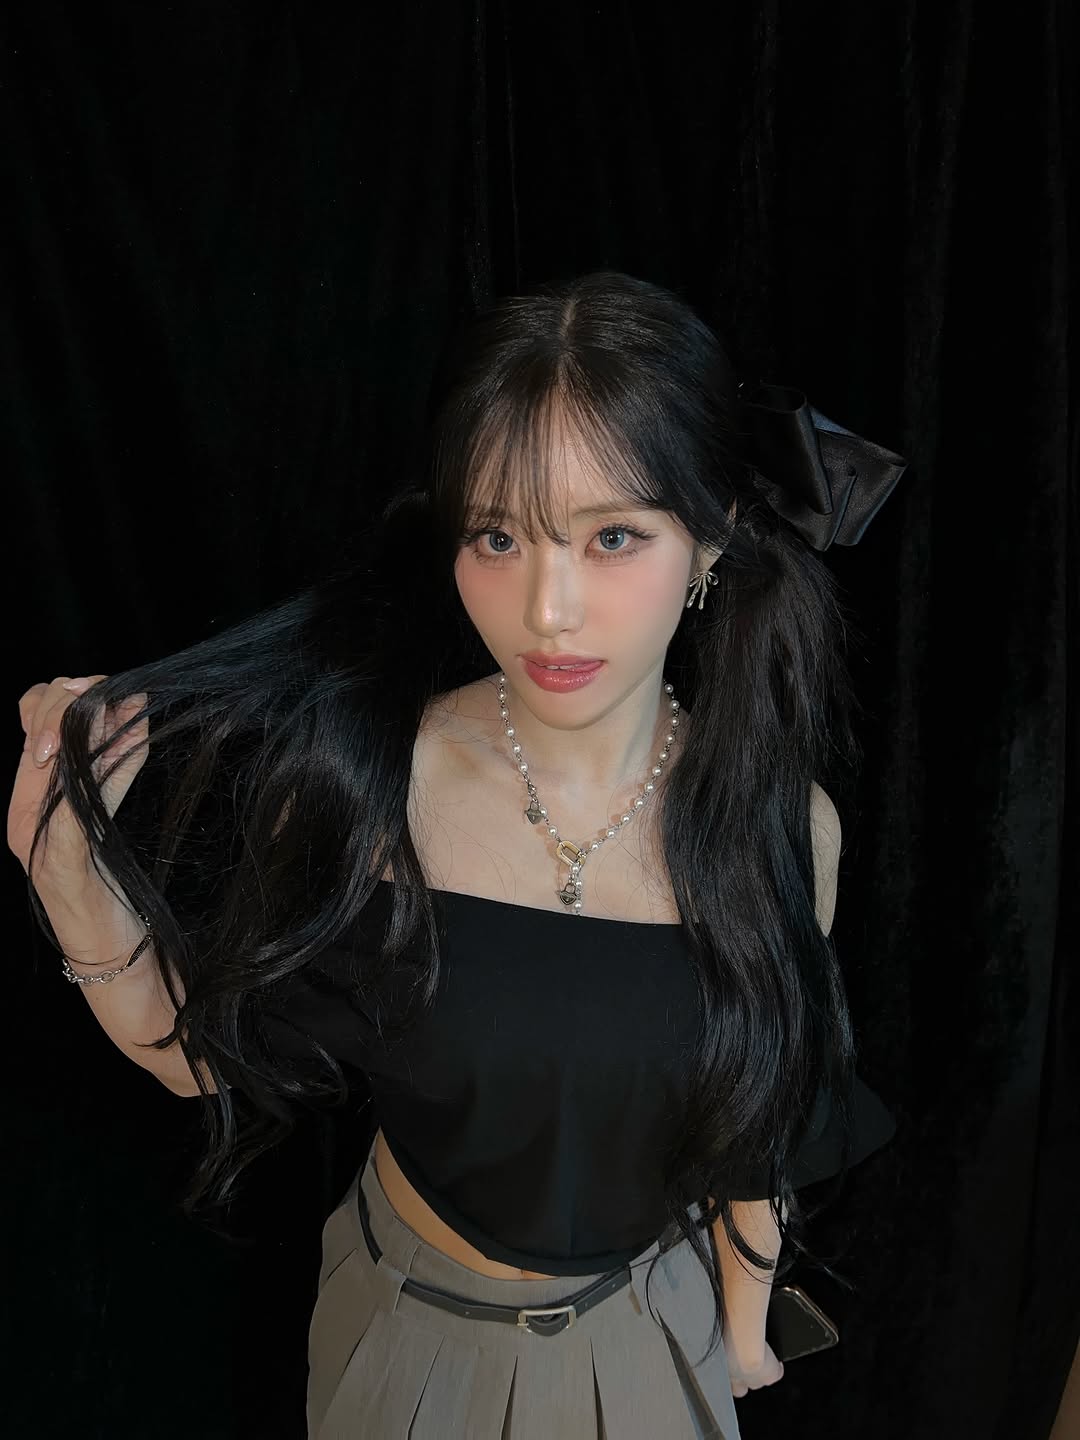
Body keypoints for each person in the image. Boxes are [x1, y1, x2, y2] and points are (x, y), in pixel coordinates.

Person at [11, 270, 906, 1439]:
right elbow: (198, 1060)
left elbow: (755, 1117)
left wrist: (741, 1331)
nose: (547, 609)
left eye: (613, 536)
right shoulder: (366, 793)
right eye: (498, 535)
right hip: (409, 1336)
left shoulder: (784, 826)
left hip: (653, 1336)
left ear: (713, 538)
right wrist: (67, 877)